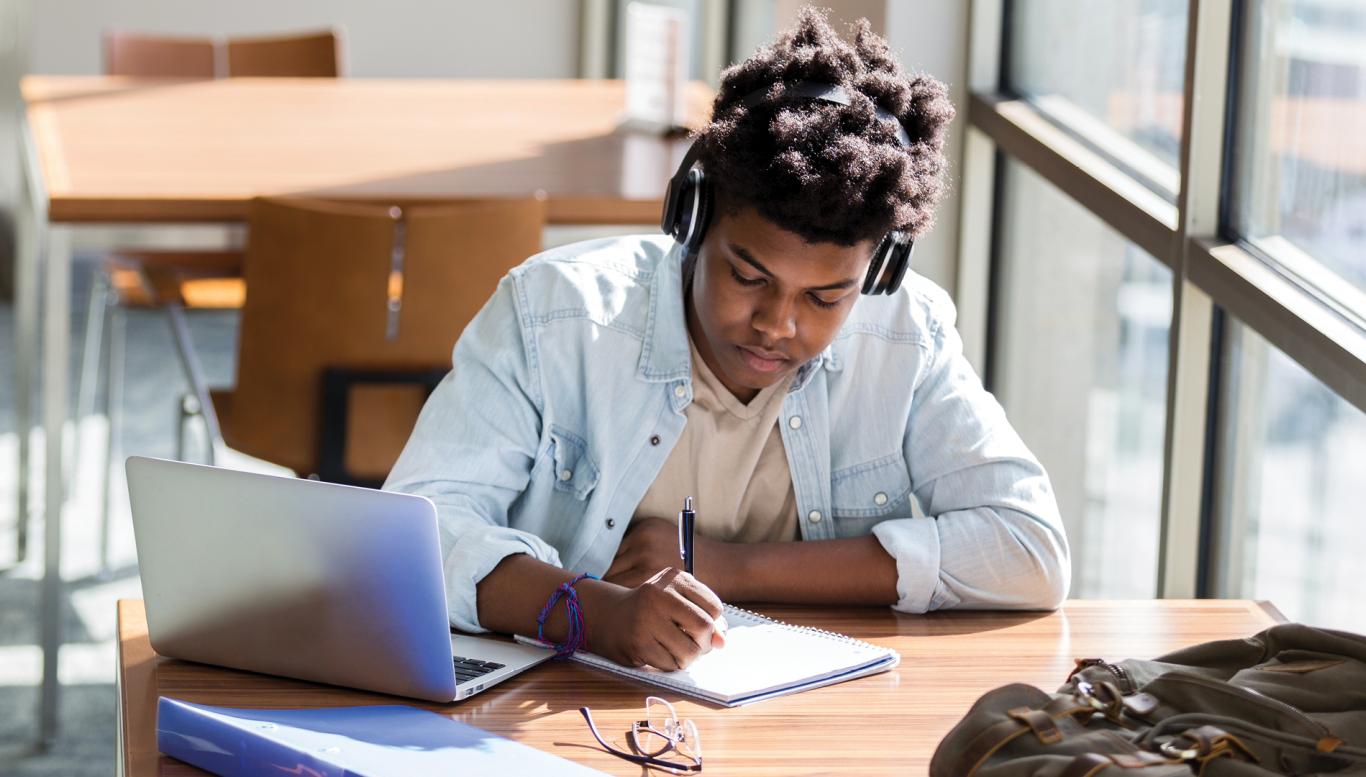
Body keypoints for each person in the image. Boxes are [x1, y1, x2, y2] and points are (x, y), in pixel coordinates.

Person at [385, 10, 1069, 672]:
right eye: (748, 275)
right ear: (692, 218)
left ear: (878, 271)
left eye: (826, 297)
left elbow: (1028, 548)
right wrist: (595, 614)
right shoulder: (553, 314)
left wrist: (728, 565)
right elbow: (418, 535)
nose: (776, 323)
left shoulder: (904, 336)